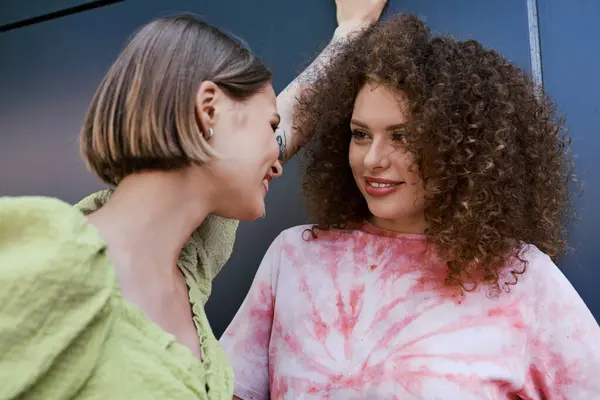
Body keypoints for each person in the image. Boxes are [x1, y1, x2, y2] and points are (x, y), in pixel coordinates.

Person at [0, 1, 387, 398]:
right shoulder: (53, 253)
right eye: (267, 127)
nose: (277, 159)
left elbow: (289, 121)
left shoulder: (187, 269)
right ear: (208, 110)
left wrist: (353, 31)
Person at [219, 13, 600, 399]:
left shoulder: (522, 278)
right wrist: (348, 35)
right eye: (361, 134)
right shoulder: (294, 257)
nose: (373, 160)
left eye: (402, 136)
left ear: (460, 147)